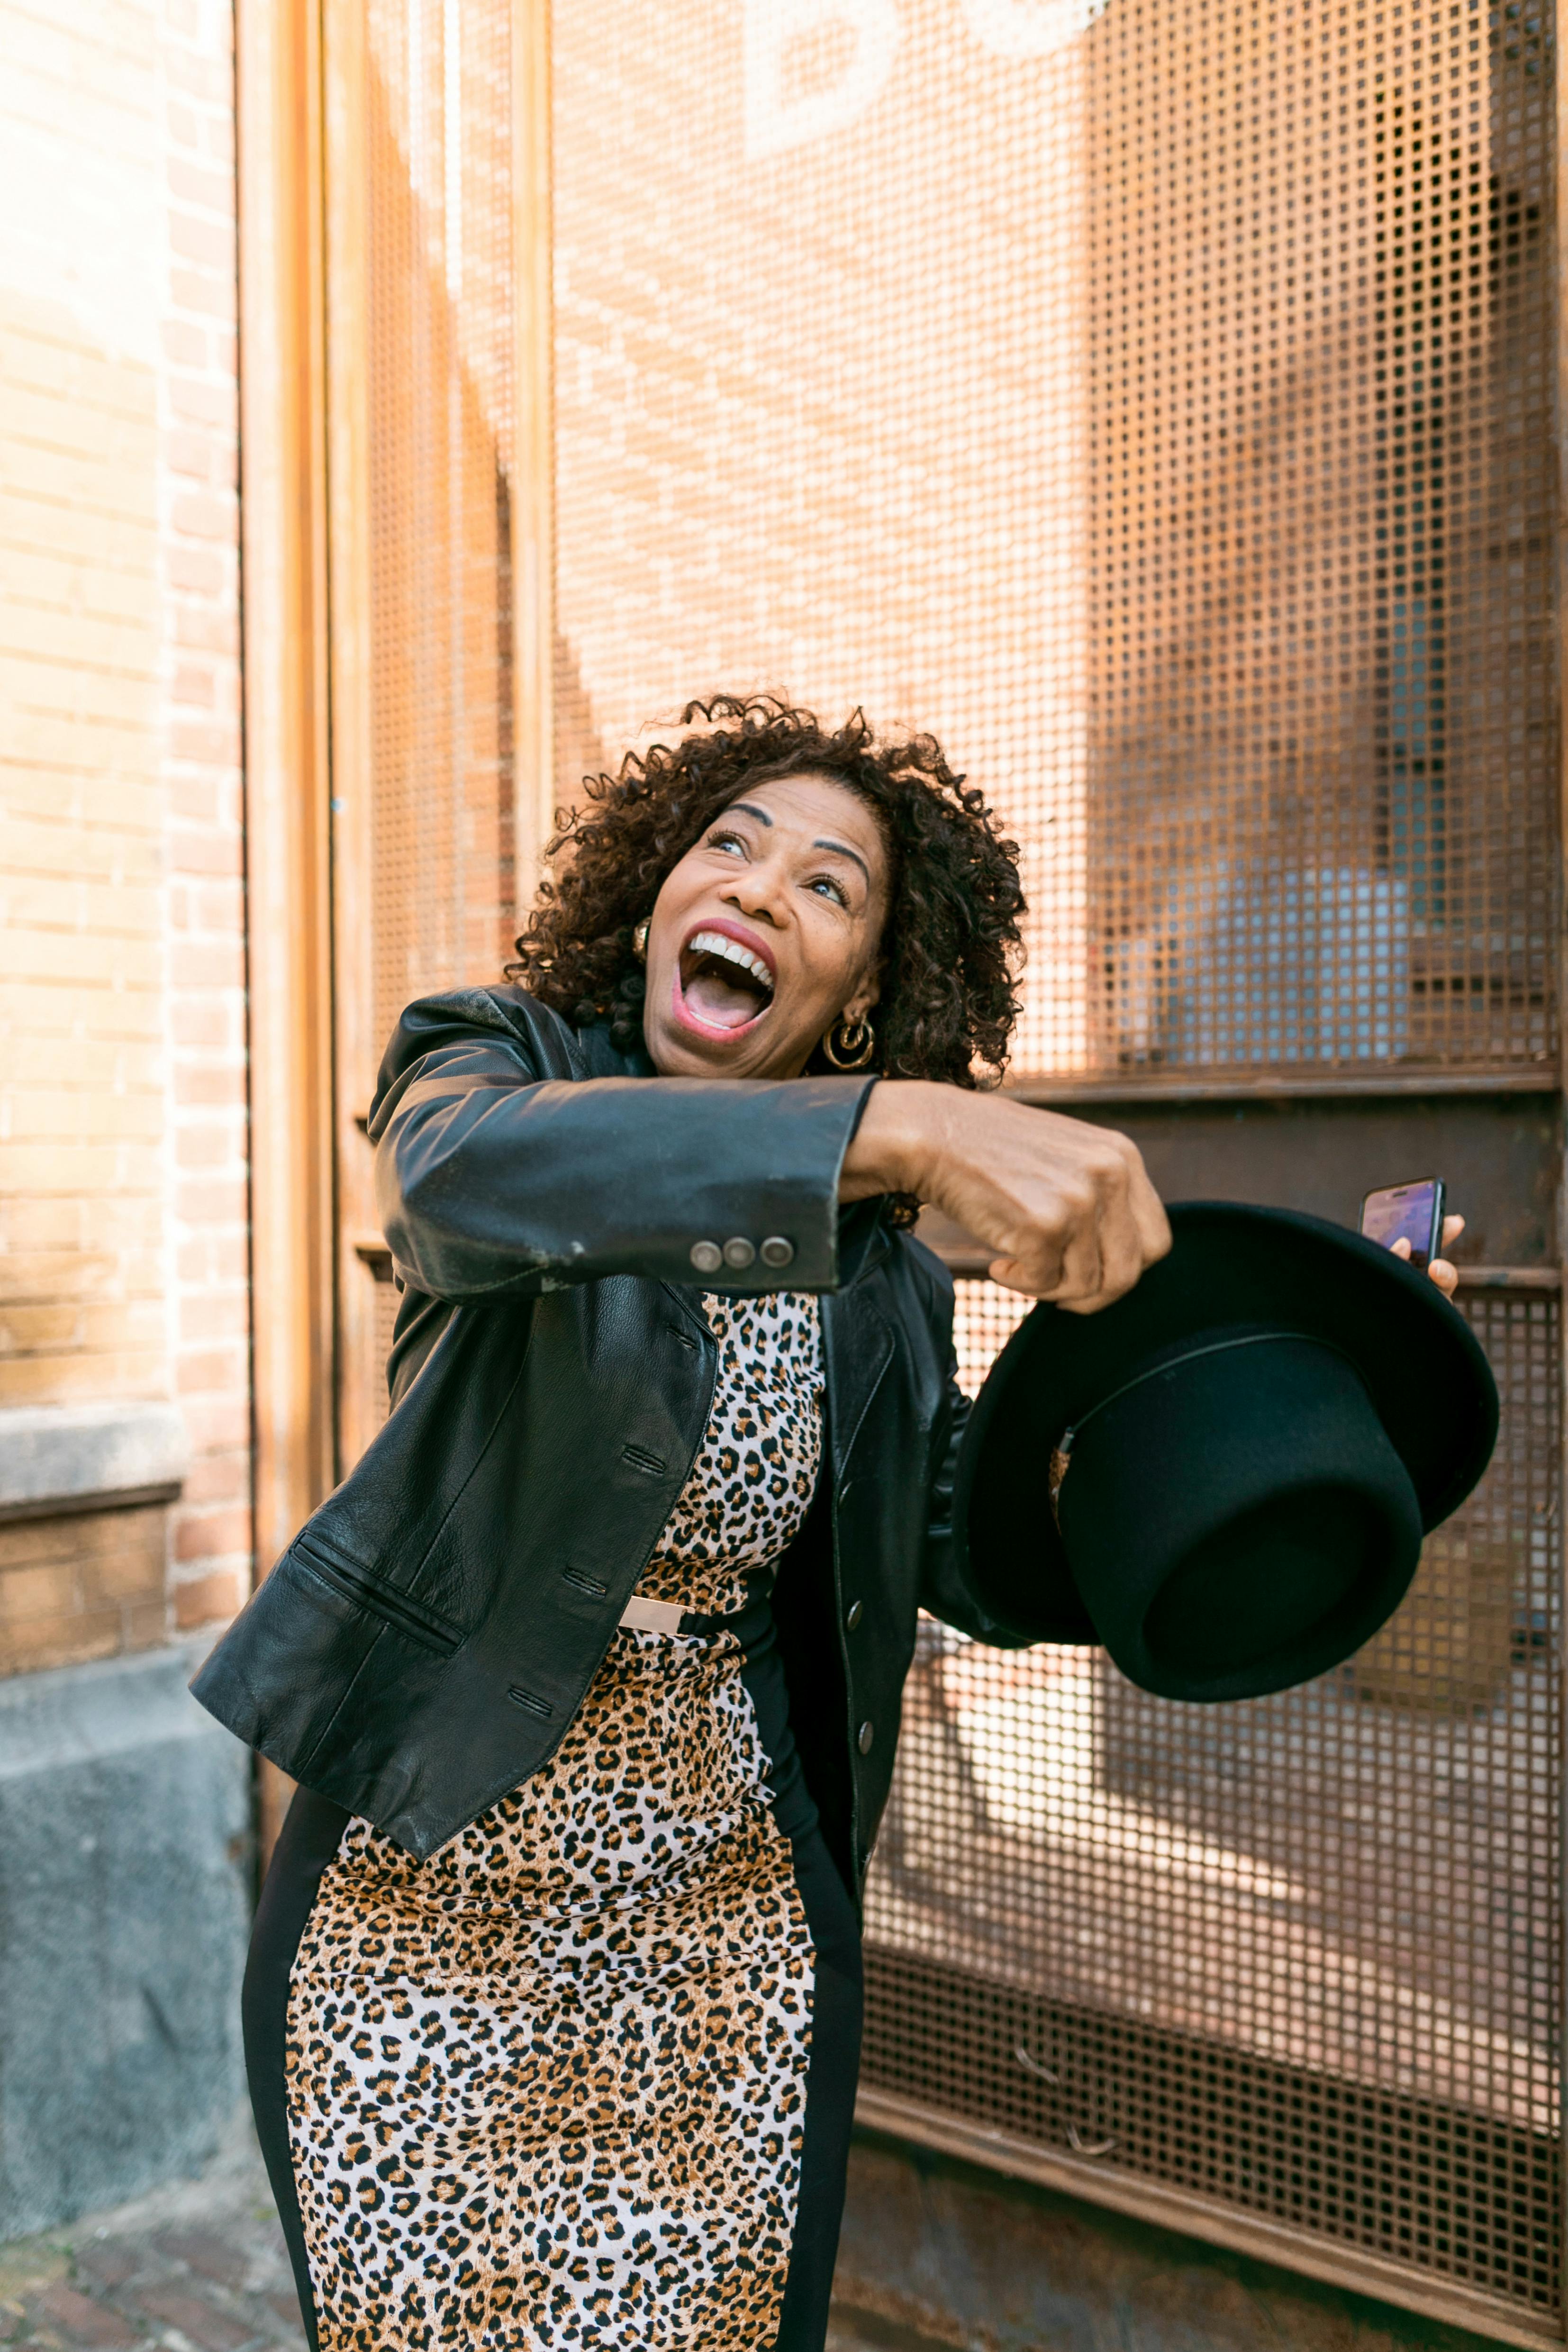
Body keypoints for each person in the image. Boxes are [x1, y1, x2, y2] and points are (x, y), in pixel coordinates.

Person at [222, 696, 1460, 2352]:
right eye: (725, 845)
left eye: (827, 884)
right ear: (659, 898)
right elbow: (457, 1186)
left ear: (862, 986)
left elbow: (953, 1543)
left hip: (724, 1932)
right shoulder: (501, 1069)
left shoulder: (882, 1277)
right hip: (431, 1902)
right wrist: (909, 1129)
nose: (753, 886)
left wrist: (1282, 1392)